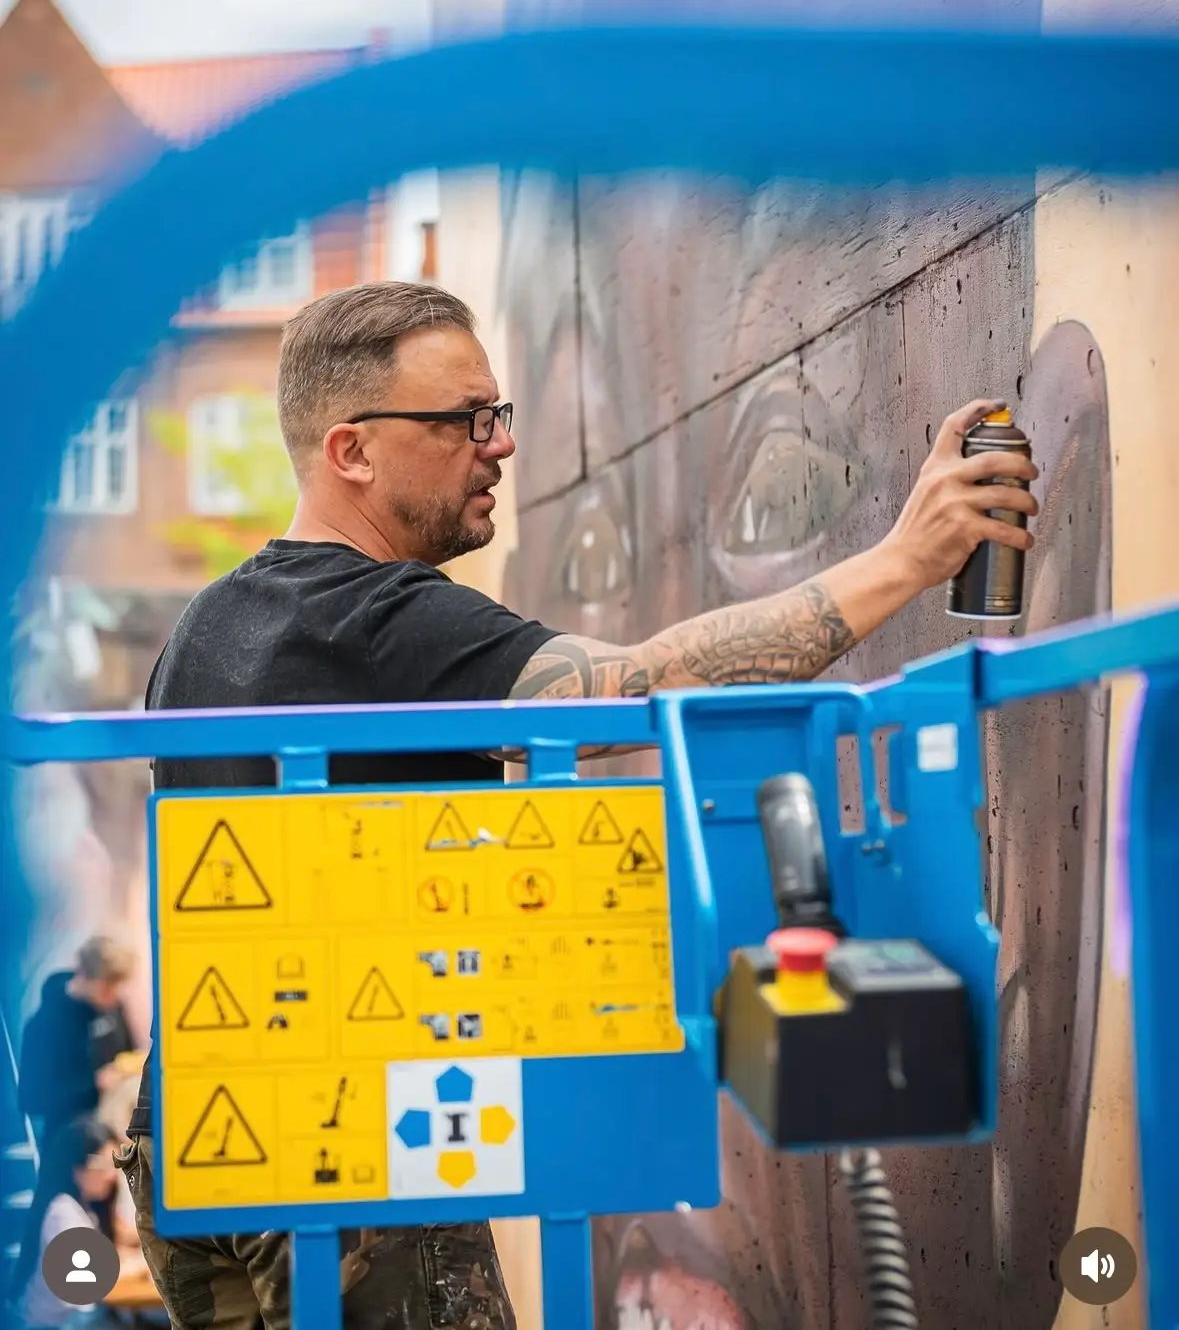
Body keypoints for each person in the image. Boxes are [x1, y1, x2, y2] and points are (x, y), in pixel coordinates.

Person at [118, 280, 1037, 1329]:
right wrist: (907, 558)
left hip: (192, 1131)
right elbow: (636, 690)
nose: (498, 444)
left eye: (497, 413)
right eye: (464, 419)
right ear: (352, 451)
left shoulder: (207, 625)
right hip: (344, 1146)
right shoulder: (376, 619)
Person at [19, 937, 136, 1152]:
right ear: (83, 976)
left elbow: (127, 1055)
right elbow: (31, 1100)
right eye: (107, 987)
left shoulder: (114, 1008)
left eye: (118, 987)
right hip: (67, 1148)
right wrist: (95, 1085)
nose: (114, 996)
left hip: (114, 1142)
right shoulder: (43, 1025)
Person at [6, 1114, 120, 1329]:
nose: (112, 1175)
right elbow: (87, 1284)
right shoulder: (63, 1215)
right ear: (76, 1169)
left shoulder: (81, 1208)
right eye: (104, 1165)